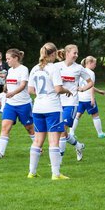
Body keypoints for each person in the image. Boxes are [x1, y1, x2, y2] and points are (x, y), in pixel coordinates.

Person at [28, 42, 69, 180]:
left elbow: (30, 90)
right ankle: (56, 174)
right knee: (53, 141)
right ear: (52, 54)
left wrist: (41, 95)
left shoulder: (34, 68)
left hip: (38, 107)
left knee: (37, 140)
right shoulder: (53, 68)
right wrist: (67, 90)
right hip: (52, 107)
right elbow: (58, 89)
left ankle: (31, 172)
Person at [0, 48, 35, 160]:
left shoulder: (23, 69)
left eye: (8, 58)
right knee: (5, 127)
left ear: (15, 58)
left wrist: (12, 93)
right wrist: (5, 87)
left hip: (23, 104)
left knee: (29, 128)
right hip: (10, 105)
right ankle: (0, 153)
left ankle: (37, 146)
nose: (7, 61)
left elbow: (23, 85)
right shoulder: (10, 70)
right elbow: (9, 83)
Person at [54, 43, 90, 162]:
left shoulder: (79, 68)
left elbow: (90, 82)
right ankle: (78, 146)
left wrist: (83, 89)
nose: (76, 55)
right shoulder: (57, 66)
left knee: (61, 129)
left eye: (77, 53)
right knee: (62, 131)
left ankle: (59, 159)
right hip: (57, 102)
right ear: (67, 53)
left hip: (71, 102)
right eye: (74, 53)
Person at [72, 55, 105, 139]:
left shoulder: (80, 71)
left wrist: (99, 91)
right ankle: (100, 133)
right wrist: (92, 98)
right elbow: (90, 86)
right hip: (88, 98)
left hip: (79, 98)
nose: (95, 65)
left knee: (77, 115)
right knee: (95, 115)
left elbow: (85, 85)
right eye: (94, 63)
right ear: (89, 63)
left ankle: (71, 133)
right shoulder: (91, 73)